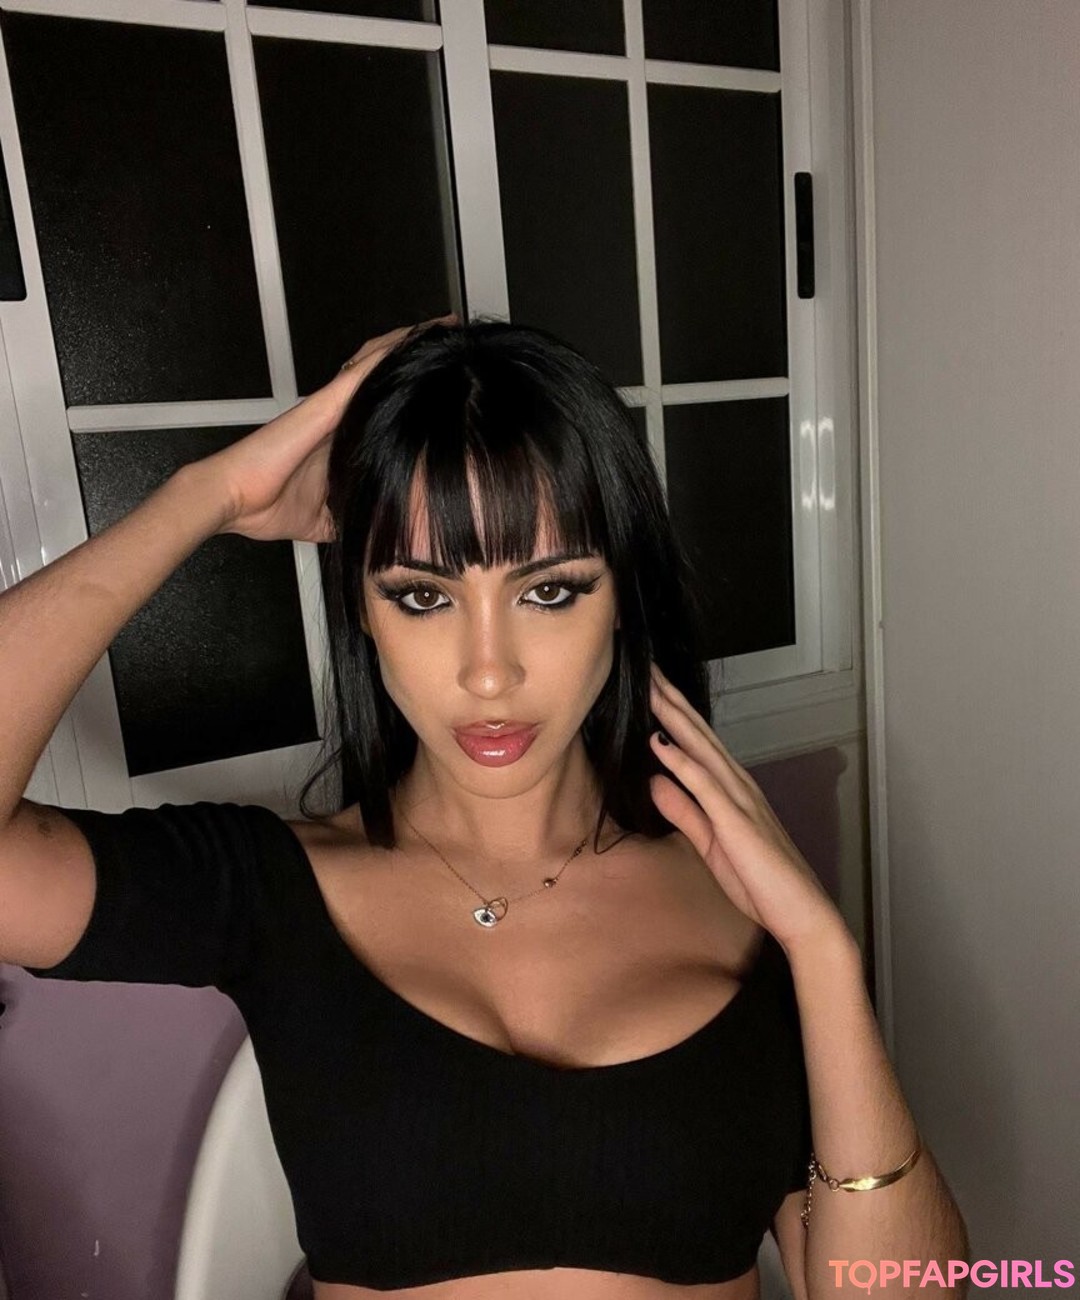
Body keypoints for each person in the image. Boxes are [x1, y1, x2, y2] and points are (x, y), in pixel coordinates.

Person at [0, 315, 967, 1300]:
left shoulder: (744, 902)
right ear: (362, 609)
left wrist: (821, 953)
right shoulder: (265, 887)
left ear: (622, 597)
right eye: (423, 597)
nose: (489, 672)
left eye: (550, 592)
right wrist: (209, 496)